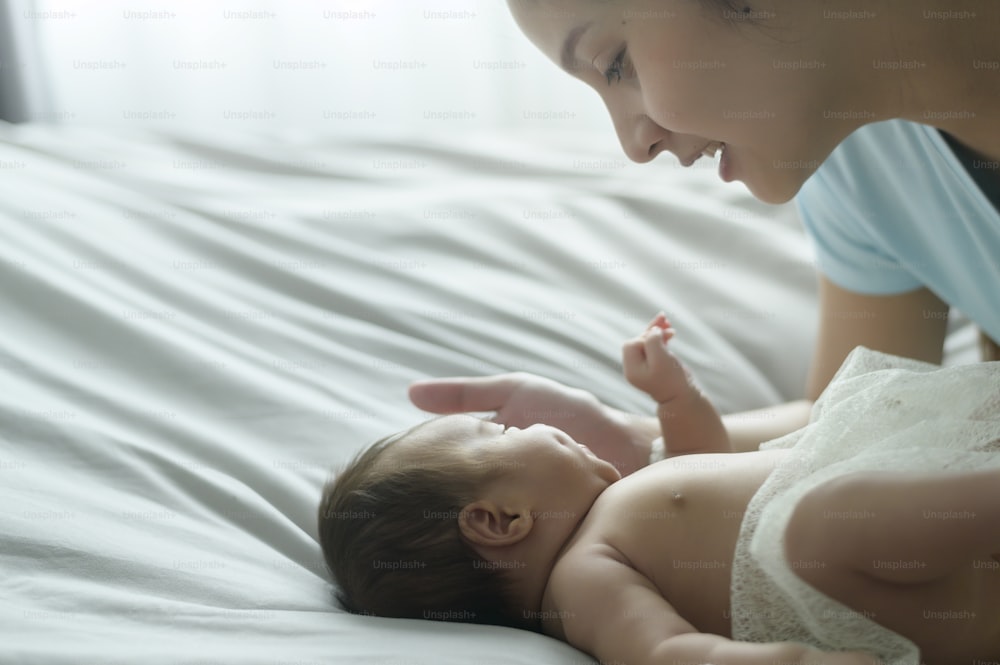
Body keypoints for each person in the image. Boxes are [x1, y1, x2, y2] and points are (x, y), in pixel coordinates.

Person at [409, 0, 1000, 476]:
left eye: (615, 64)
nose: (633, 146)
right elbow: (853, 417)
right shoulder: (854, 162)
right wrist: (640, 441)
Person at [319, 318, 1000, 665]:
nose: (524, 423)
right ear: (500, 520)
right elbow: (667, 653)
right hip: (865, 581)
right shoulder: (581, 582)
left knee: (836, 506)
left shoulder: (617, 514)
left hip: (918, 548)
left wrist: (676, 397)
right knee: (820, 522)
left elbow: (703, 464)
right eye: (499, 433)